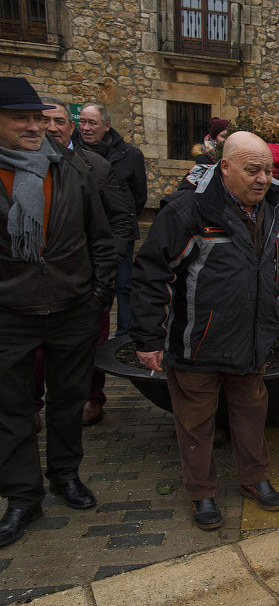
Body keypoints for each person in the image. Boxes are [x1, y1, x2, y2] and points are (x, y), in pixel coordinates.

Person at [130, 131, 279, 529]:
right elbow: (153, 275)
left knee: (252, 412)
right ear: (225, 167)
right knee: (195, 422)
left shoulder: (275, 207)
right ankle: (201, 494)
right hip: (197, 344)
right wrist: (150, 337)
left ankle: (254, 478)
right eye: (252, 170)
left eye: (267, 170)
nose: (261, 179)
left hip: (251, 339)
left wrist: (277, 307)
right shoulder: (188, 212)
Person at [0, 78, 117, 547]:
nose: (34, 127)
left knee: (68, 402)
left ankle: (65, 475)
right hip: (10, 312)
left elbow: (101, 237)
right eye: (21, 119)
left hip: (72, 308)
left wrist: (97, 298)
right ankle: (23, 497)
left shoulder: (70, 168)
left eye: (38, 118)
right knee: (12, 409)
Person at [38, 96, 131, 427]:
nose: (51, 127)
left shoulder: (94, 167)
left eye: (59, 121)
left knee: (87, 348)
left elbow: (122, 222)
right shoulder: (13, 167)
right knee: (32, 354)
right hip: (30, 285)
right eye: (44, 120)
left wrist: (103, 275)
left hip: (84, 282)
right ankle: (32, 404)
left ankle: (91, 399)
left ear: (70, 127)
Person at [76, 102, 146, 338]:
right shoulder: (70, 153)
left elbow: (139, 196)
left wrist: (122, 222)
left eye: (92, 123)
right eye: (82, 122)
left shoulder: (130, 155)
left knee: (124, 284)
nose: (86, 128)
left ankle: (124, 334)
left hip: (119, 232)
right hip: (83, 233)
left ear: (106, 126)